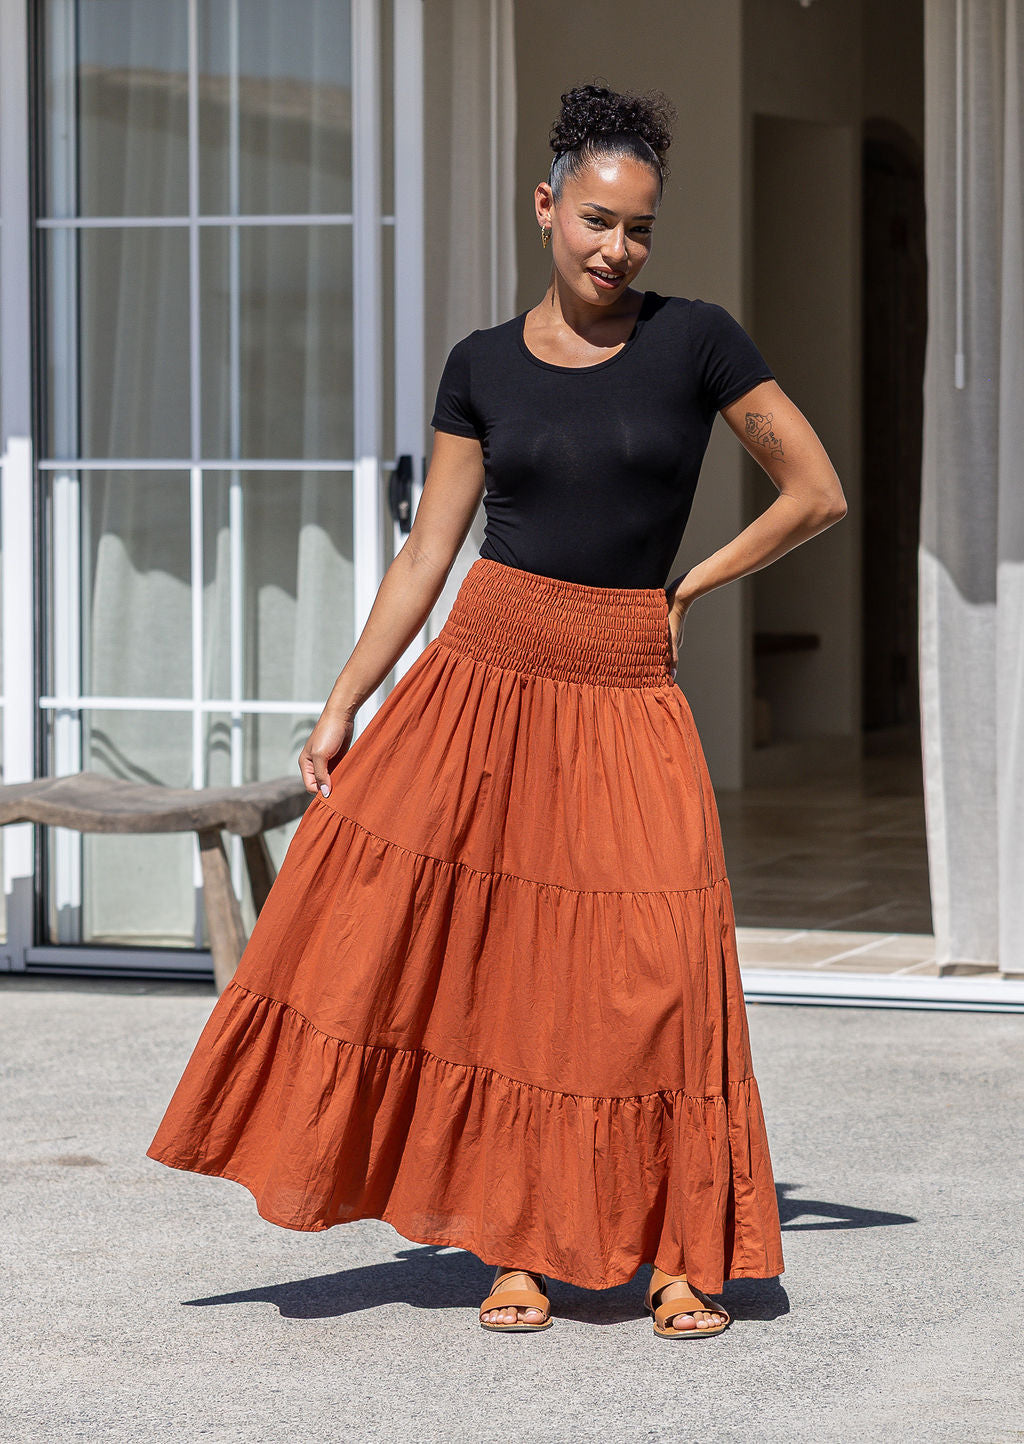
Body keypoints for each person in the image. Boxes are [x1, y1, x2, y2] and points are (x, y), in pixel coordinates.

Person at [147, 81, 846, 1340]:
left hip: (627, 677)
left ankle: (678, 1251)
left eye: (636, 228)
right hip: (483, 677)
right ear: (544, 207)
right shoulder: (478, 364)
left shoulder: (696, 341)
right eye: (593, 220)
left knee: (658, 974)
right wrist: (342, 705)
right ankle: (510, 1242)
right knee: (491, 971)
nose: (614, 249)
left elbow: (813, 488)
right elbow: (427, 557)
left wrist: (690, 583)